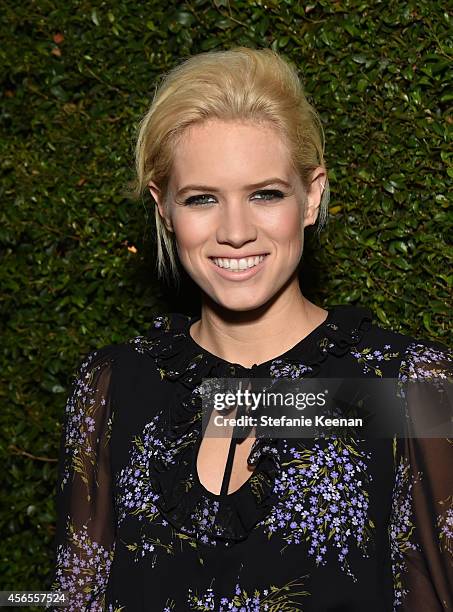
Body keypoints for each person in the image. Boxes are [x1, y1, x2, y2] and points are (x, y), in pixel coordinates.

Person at [50, 47, 452, 611]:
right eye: (202, 199)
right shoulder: (112, 387)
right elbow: (78, 597)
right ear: (163, 208)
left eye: (265, 194)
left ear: (310, 197)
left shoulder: (408, 384)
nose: (235, 231)